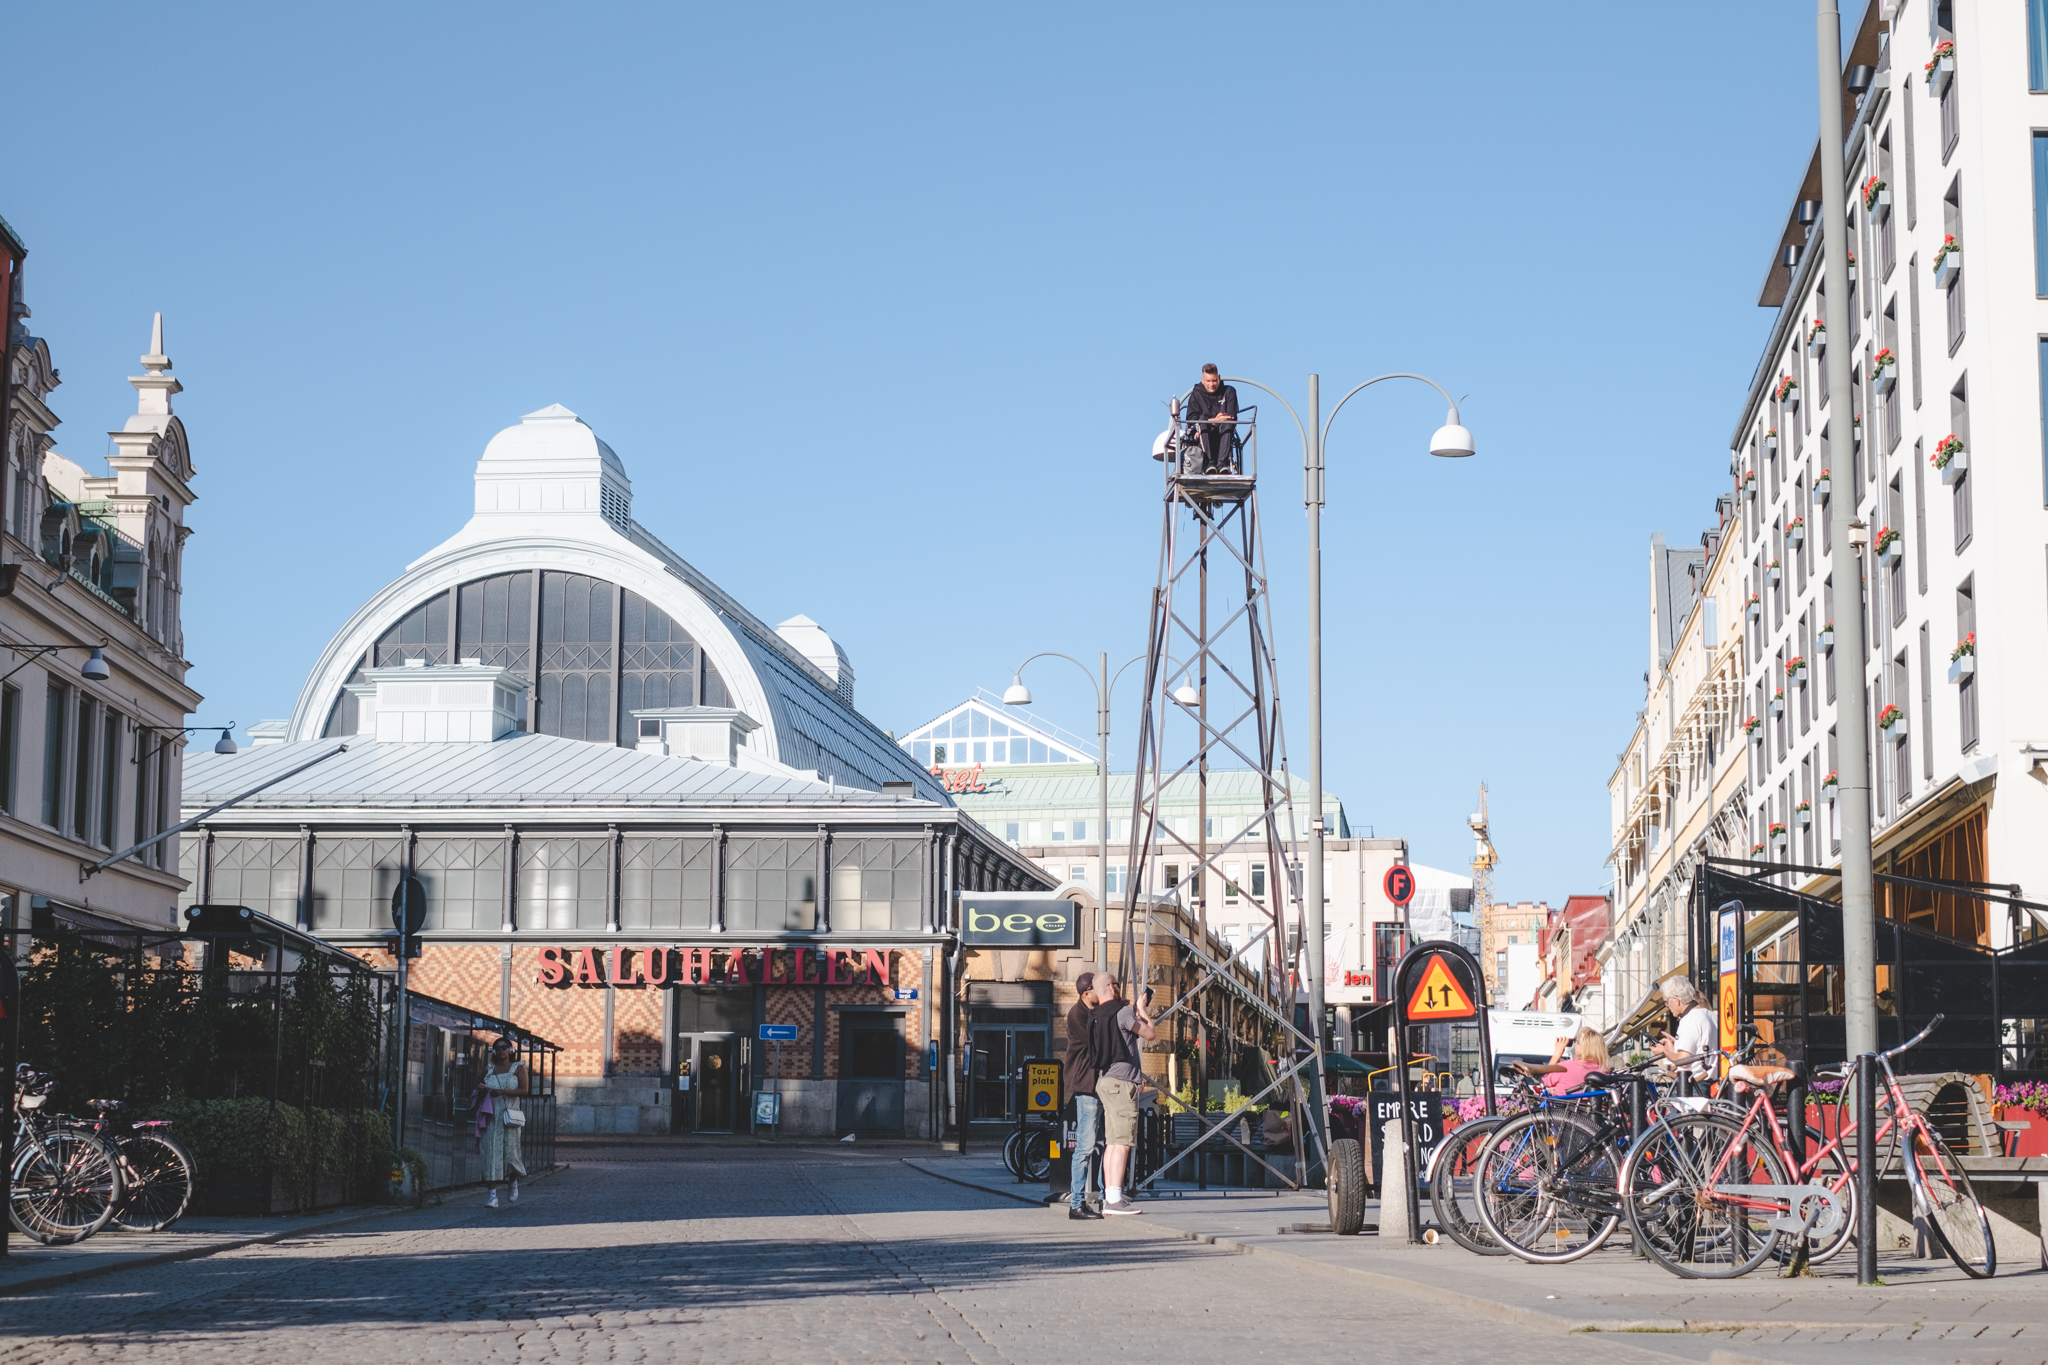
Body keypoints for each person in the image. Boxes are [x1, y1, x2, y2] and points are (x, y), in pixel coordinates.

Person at [1087, 974, 1157, 1215]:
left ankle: (1111, 1195)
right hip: (1121, 1083)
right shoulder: (1124, 1012)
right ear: (1110, 987)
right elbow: (1149, 1034)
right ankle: (1114, 1200)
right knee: (1123, 1143)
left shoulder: (1096, 1014)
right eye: (1116, 984)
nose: (1119, 987)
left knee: (1113, 1142)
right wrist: (1141, 1010)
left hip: (1105, 1080)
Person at [1062, 971, 1103, 1220]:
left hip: (1097, 1084)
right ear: (1087, 993)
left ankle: (1091, 1200)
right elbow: (1098, 1043)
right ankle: (1076, 1203)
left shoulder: (1093, 1012)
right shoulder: (1077, 1014)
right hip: (1086, 1084)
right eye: (1099, 989)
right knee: (1085, 1146)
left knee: (1098, 1145)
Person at [474, 1035, 529, 1208]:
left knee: (510, 1153)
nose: (500, 1050)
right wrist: (482, 1090)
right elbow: (479, 1089)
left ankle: (512, 1180)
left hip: (509, 1117)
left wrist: (502, 1092)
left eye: (504, 1047)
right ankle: (492, 1196)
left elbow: (525, 1090)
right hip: (490, 1116)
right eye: (497, 1048)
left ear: (511, 1050)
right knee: (490, 1153)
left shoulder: (518, 1068)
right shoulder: (488, 1069)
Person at [1651, 977, 1716, 1089]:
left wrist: (1664, 1051)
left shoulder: (1689, 1020)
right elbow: (1696, 1051)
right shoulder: (1711, 1016)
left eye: (1666, 1002)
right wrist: (1674, 1050)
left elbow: (1684, 1060)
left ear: (1676, 1000)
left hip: (1693, 1086)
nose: (1667, 1006)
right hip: (1711, 1083)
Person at [1513, 1027, 1612, 1095]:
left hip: (1563, 1116)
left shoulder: (1566, 1068)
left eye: (1576, 1041)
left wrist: (1557, 1053)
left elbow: (1545, 1080)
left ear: (1582, 1046)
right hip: (1592, 1119)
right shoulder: (1605, 1071)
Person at [1183, 364, 1239, 475]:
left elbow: (1231, 416)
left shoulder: (1229, 391)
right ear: (1202, 380)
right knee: (1202, 421)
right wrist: (1212, 421)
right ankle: (1209, 463)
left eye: (1214, 381)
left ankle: (1222, 464)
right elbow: (1191, 419)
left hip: (1223, 434)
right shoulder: (1196, 394)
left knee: (1228, 423)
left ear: (1218, 378)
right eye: (1208, 381)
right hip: (1202, 435)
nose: (1211, 384)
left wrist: (1215, 422)